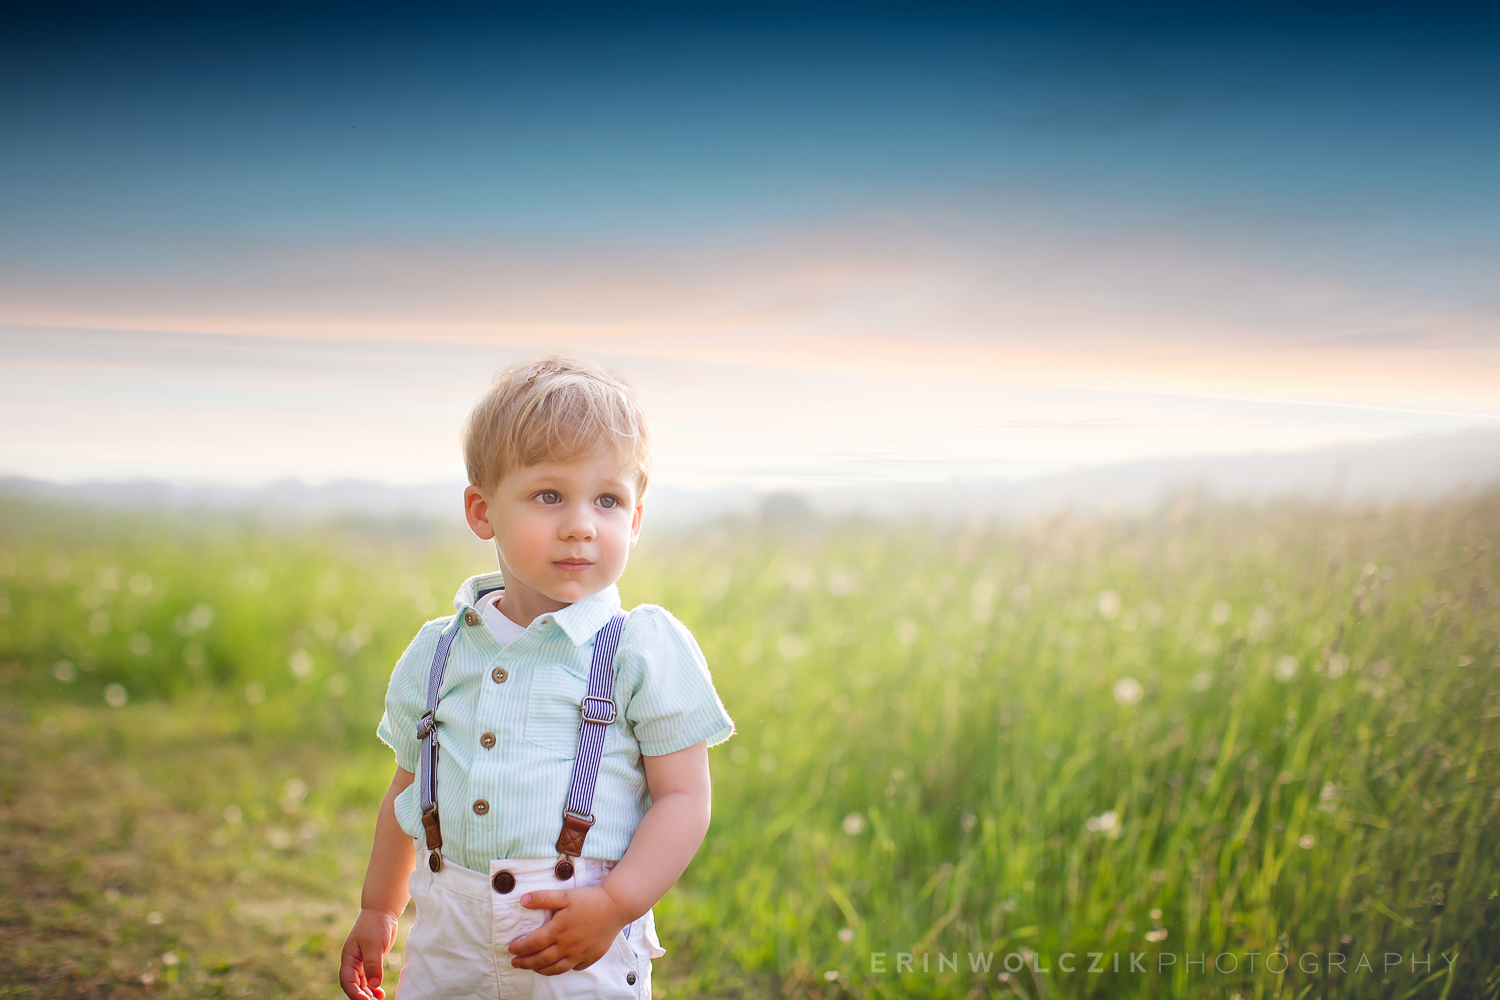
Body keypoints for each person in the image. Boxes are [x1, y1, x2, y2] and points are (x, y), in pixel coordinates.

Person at [339, 356, 735, 999]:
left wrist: (614, 905)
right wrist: (379, 909)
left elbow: (684, 800)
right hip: (450, 932)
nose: (581, 523)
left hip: (578, 930)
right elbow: (407, 790)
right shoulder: (440, 649)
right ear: (482, 510)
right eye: (549, 495)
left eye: (607, 500)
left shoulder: (641, 647)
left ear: (633, 520)